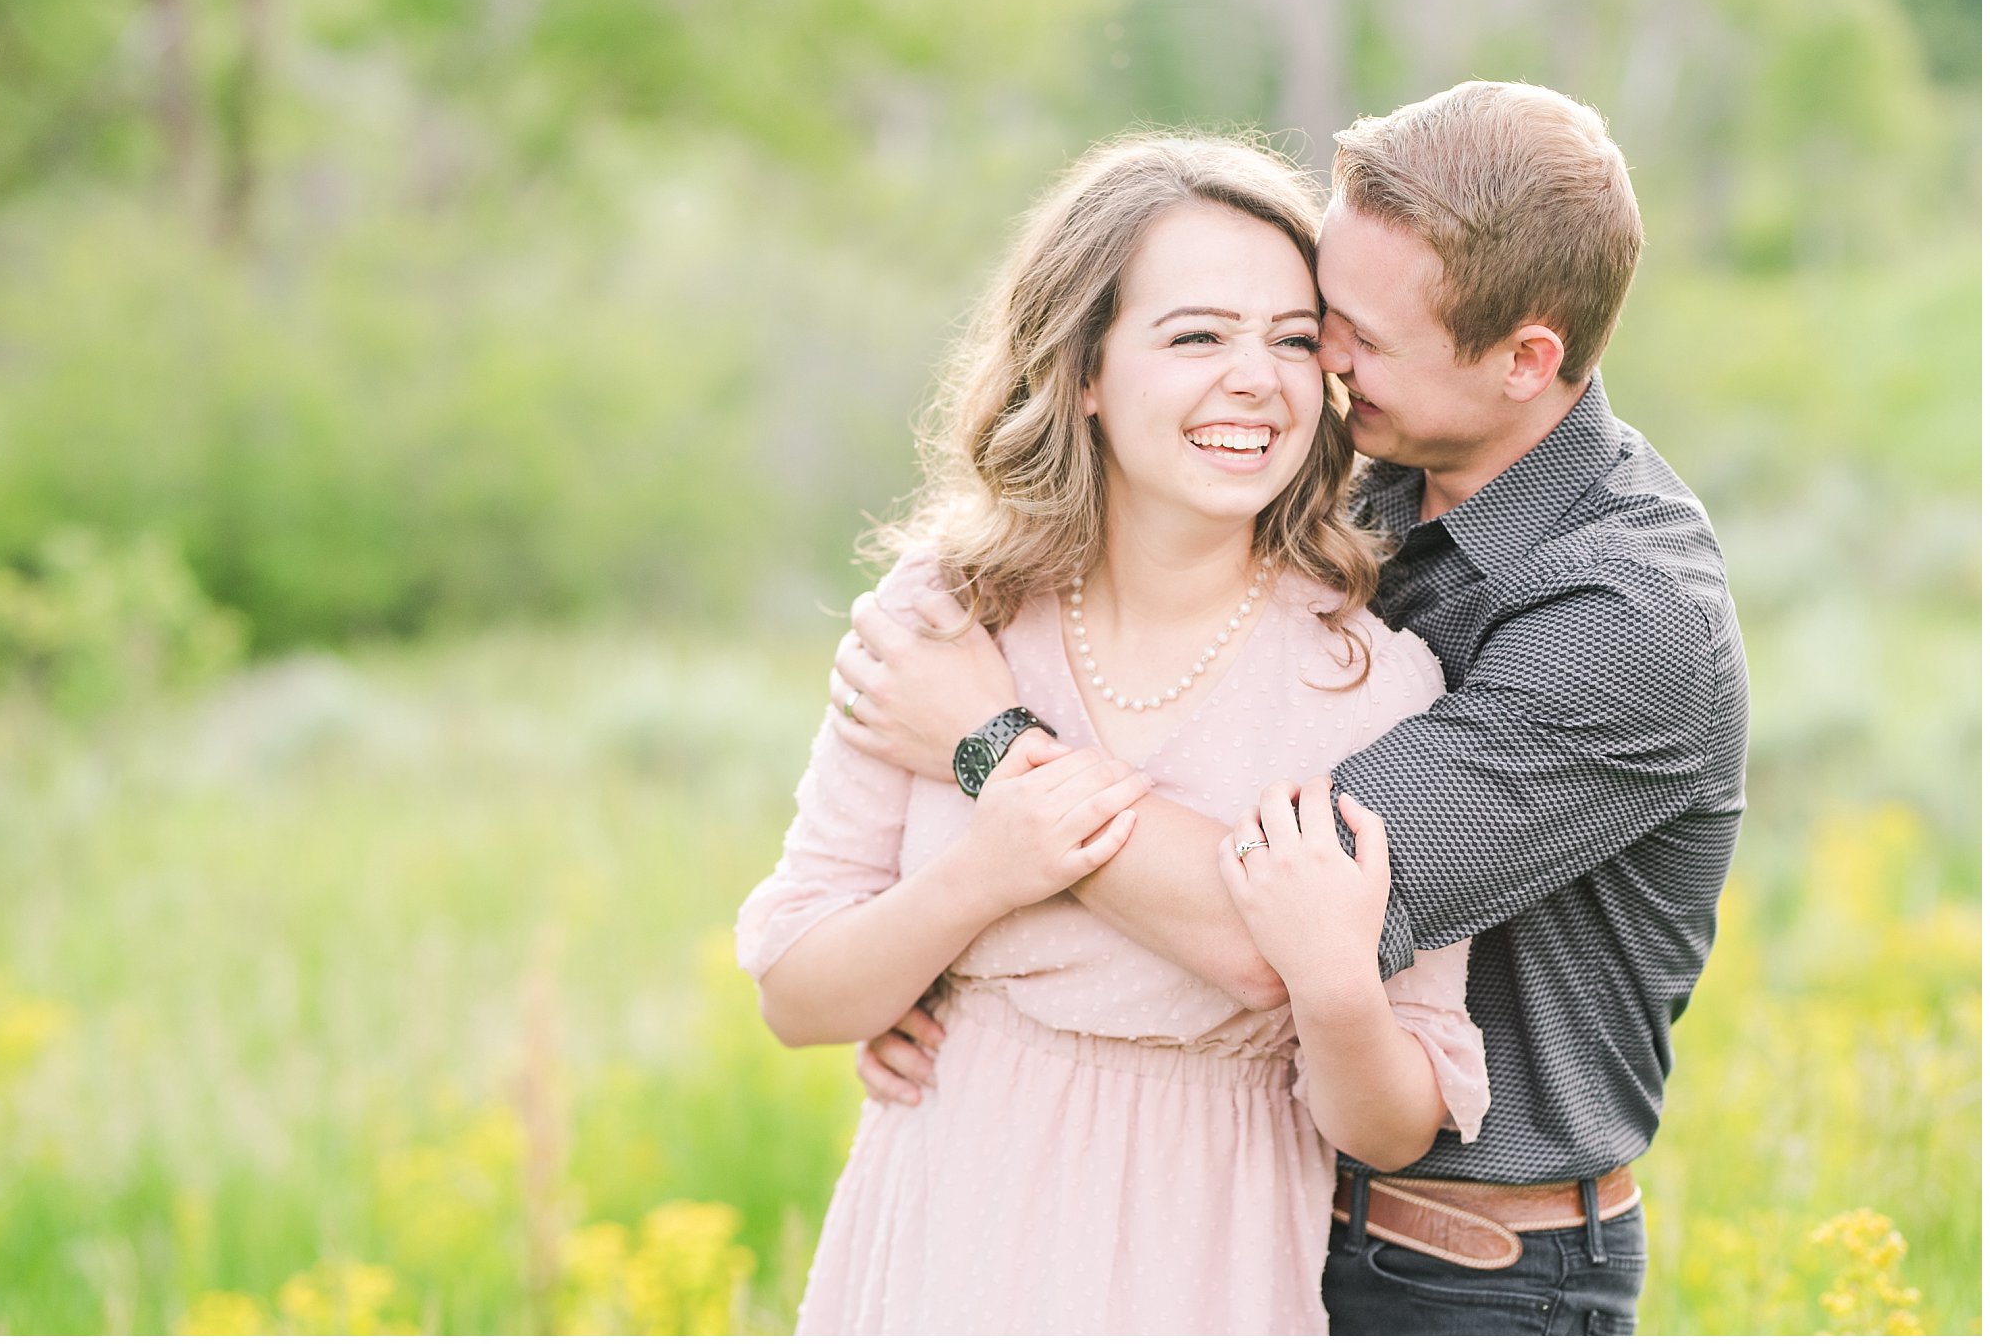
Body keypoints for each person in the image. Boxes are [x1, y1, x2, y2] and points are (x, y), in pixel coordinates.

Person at [835, 81, 1748, 1335]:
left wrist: (985, 746)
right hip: (1226, 1210)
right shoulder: (1368, 487)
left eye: (1354, 335)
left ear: (1525, 358)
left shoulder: (1623, 620)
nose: (1319, 361)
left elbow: (1268, 924)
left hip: (1455, 1275)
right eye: (1323, 311)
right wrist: (943, 973)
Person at [736, 134, 1490, 1334]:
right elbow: (795, 991)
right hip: (941, 1228)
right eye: (1195, 335)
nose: (1258, 379)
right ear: (1083, 367)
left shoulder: (1373, 684)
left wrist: (1329, 980)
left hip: (1206, 1254)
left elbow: (1392, 1119)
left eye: (1293, 340)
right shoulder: (944, 616)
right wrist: (981, 877)